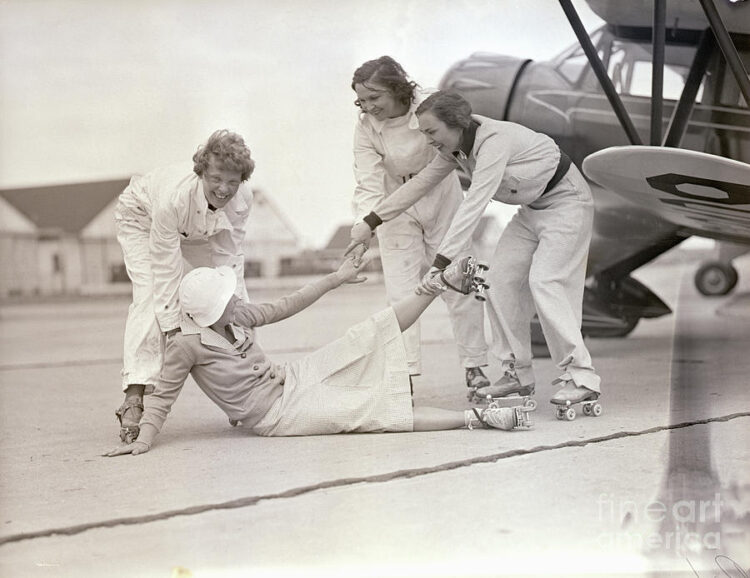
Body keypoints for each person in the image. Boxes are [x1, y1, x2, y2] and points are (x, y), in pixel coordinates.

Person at [104, 257, 534, 456]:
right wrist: (143, 439)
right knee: (370, 411)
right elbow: (163, 396)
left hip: (291, 379)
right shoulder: (186, 345)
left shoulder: (237, 317)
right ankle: (479, 419)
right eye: (227, 297)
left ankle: (434, 285)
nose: (236, 299)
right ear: (212, 311)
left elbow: (288, 304)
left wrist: (335, 279)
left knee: (362, 336)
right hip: (277, 415)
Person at [347, 91, 601, 407]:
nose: (428, 141)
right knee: (496, 281)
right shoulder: (456, 151)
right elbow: (416, 185)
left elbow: (474, 204)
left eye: (431, 132)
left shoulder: (493, 141)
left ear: (457, 124)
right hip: (532, 209)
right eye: (423, 133)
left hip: (567, 203)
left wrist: (440, 263)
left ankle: (581, 377)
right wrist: (371, 221)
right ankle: (517, 374)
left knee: (545, 281)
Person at [349, 56, 489, 392]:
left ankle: (476, 368)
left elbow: (462, 141)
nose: (368, 107)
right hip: (394, 207)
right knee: (401, 294)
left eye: (374, 98)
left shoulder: (430, 104)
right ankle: (404, 376)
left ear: (397, 89)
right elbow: (368, 181)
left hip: (442, 197)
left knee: (460, 282)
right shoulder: (365, 127)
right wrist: (362, 225)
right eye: (361, 100)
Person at [113, 129, 255, 444]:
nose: (223, 189)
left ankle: (239, 390)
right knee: (151, 296)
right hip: (142, 218)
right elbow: (166, 269)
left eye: (232, 182)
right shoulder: (174, 199)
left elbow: (229, 262)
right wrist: (173, 332)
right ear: (201, 172)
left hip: (193, 229)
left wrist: (240, 320)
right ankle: (134, 395)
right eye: (216, 178)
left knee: (223, 297)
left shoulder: (241, 200)